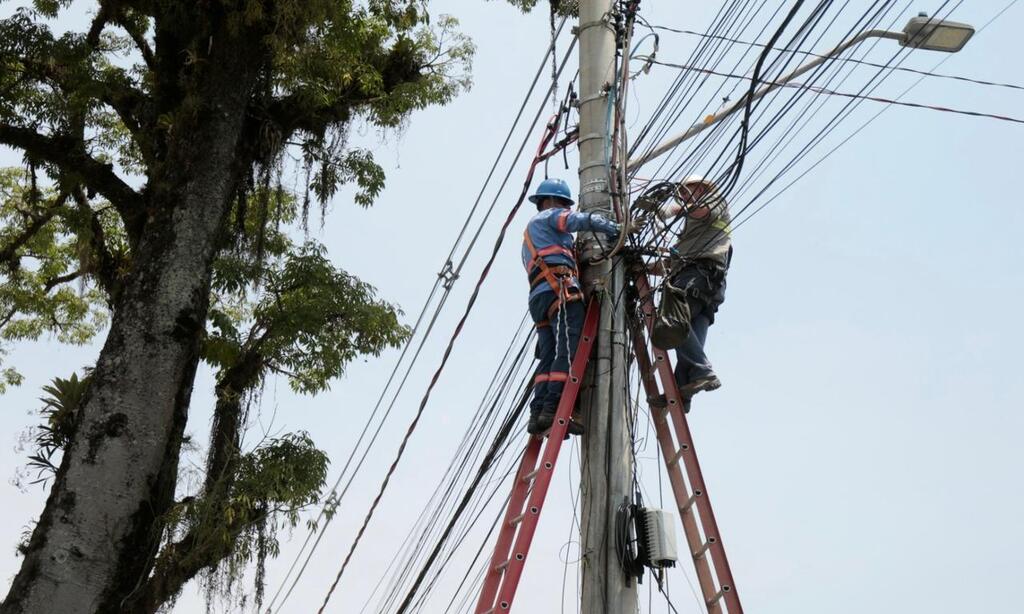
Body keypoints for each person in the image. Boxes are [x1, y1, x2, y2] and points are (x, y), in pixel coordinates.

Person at [523, 177, 620, 436]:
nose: (565, 209)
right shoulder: (550, 217)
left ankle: (538, 414)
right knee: (568, 349)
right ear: (555, 202)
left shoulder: (530, 235)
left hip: (540, 299)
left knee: (548, 354)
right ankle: (555, 407)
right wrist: (616, 229)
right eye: (564, 205)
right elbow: (579, 220)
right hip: (560, 291)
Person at [655, 175, 732, 400]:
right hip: (706, 283)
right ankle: (682, 391)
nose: (684, 198)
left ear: (701, 189)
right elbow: (673, 262)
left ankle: (703, 371)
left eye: (688, 192)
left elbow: (702, 211)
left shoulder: (714, 201)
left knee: (673, 323)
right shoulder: (695, 233)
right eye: (682, 195)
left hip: (699, 277)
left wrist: (673, 210)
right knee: (687, 338)